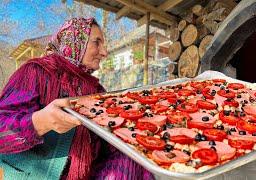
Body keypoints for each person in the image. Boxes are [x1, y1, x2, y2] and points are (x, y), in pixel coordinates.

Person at [0, 17, 154, 180]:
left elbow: (108, 142)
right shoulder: (35, 72)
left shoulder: (96, 89)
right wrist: (40, 121)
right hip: (40, 175)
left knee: (136, 158)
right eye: (97, 42)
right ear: (74, 41)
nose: (104, 52)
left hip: (88, 173)